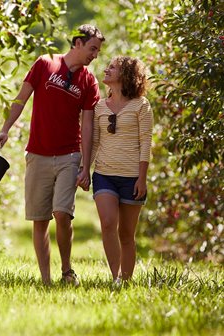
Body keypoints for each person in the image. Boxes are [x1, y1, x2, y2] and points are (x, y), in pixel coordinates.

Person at [0, 24, 105, 286]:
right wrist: (5, 129)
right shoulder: (45, 63)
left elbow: (87, 125)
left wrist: (85, 166)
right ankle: (46, 281)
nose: (95, 55)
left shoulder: (89, 81)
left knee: (62, 213)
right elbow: (20, 99)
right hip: (38, 154)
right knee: (40, 219)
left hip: (69, 155)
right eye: (92, 49)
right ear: (77, 43)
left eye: (98, 51)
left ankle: (67, 270)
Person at [88, 56, 153, 282]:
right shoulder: (99, 106)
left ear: (125, 75)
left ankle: (125, 281)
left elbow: (146, 142)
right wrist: (84, 169)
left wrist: (142, 179)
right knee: (107, 224)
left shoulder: (141, 106)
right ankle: (115, 277)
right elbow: (94, 142)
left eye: (112, 67)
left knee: (126, 234)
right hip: (104, 174)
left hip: (132, 178)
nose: (106, 70)